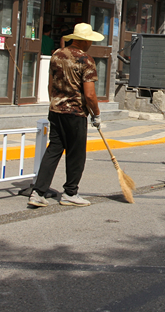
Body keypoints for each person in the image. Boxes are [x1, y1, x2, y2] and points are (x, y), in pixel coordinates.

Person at [27, 23, 104, 208]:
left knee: (53, 150)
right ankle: (70, 192)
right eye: (90, 41)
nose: (91, 44)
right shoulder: (86, 60)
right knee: (76, 154)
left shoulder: (56, 55)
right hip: (75, 113)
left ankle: (38, 192)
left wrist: (53, 102)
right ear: (83, 41)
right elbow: (90, 95)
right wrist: (96, 114)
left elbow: (50, 84)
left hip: (55, 110)